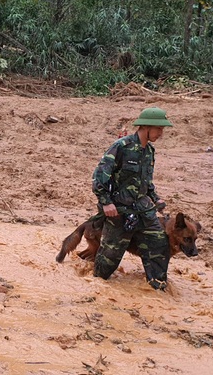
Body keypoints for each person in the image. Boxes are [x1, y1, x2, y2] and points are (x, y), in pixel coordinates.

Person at [91, 107, 173, 291]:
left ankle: (157, 287)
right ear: (146, 127)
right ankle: (96, 288)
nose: (161, 133)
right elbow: (99, 175)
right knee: (109, 258)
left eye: (162, 130)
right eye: (158, 129)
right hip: (119, 210)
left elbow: (146, 182)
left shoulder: (149, 152)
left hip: (143, 210)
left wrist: (156, 199)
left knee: (159, 245)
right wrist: (106, 202)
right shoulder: (122, 146)